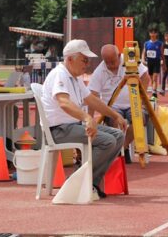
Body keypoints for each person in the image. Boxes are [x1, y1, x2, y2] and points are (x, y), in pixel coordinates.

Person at [40, 39, 126, 199]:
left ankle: (90, 182)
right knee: (107, 141)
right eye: (84, 60)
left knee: (119, 136)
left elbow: (92, 100)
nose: (87, 64)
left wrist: (115, 115)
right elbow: (63, 102)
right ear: (70, 59)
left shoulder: (74, 77)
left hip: (72, 126)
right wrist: (87, 118)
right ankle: (79, 181)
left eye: (88, 60)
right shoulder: (60, 75)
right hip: (59, 130)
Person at [89, 44, 151, 161]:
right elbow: (92, 95)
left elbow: (145, 77)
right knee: (113, 119)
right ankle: (120, 150)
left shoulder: (130, 61)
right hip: (112, 106)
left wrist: (141, 97)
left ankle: (123, 147)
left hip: (133, 103)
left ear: (119, 55)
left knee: (139, 118)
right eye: (107, 62)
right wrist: (90, 118)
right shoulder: (99, 71)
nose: (110, 65)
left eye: (113, 61)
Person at [141, 27, 164, 97]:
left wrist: (164, 62)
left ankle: (154, 93)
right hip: (149, 62)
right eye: (151, 33)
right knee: (151, 79)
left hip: (156, 62)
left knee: (155, 77)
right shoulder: (146, 43)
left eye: (154, 32)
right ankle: (155, 89)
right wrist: (143, 59)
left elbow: (162, 53)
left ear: (157, 34)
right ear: (149, 34)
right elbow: (144, 52)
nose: (153, 34)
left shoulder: (160, 43)